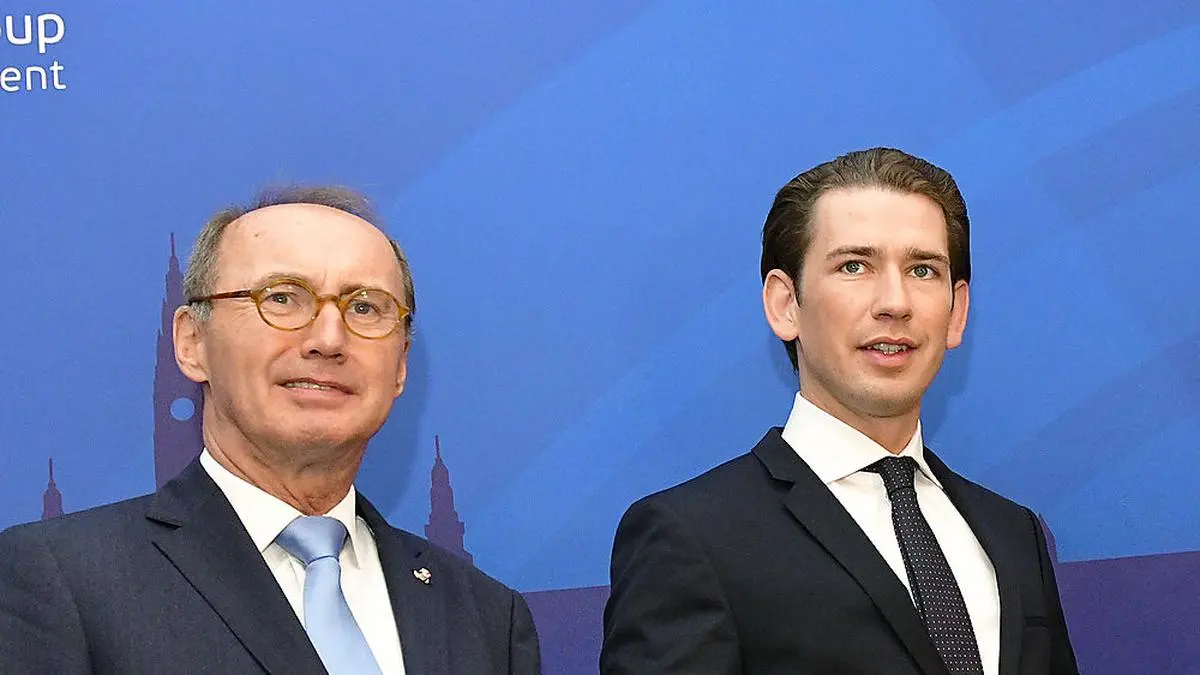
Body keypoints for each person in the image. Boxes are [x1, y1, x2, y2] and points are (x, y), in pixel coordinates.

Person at [0, 186, 541, 675]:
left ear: (400, 364)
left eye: (364, 307)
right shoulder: (60, 582)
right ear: (191, 342)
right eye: (281, 298)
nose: (328, 339)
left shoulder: (485, 616)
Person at [600, 148, 1078, 674]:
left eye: (922, 270)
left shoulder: (1014, 534)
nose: (895, 302)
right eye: (855, 266)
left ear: (957, 311)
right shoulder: (692, 537)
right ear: (785, 304)